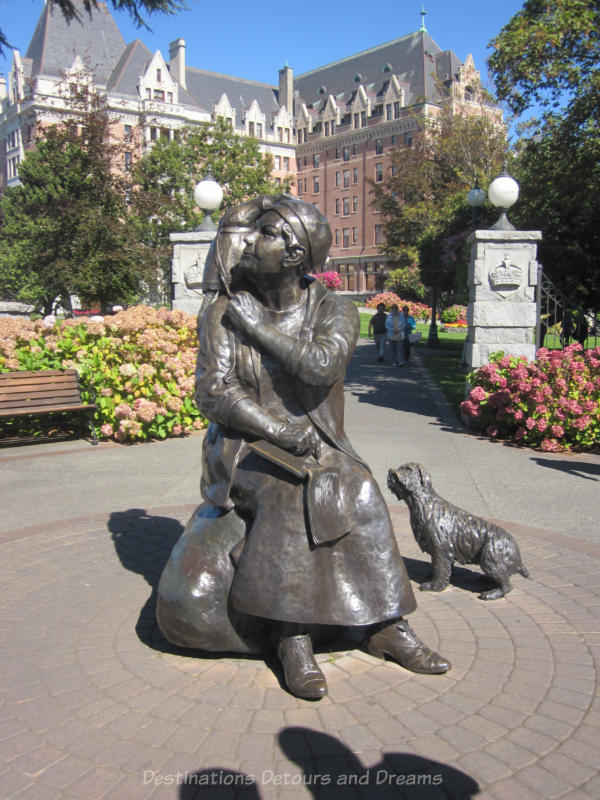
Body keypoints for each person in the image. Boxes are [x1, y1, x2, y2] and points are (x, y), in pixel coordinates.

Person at [193, 195, 450, 700]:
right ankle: (293, 636)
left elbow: (319, 367)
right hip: (248, 445)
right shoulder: (224, 309)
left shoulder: (334, 308)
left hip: (321, 440)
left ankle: (385, 626)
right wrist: (279, 430)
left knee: (359, 487)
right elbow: (214, 392)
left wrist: (256, 329)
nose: (252, 242)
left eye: (266, 234)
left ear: (294, 255)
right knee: (294, 490)